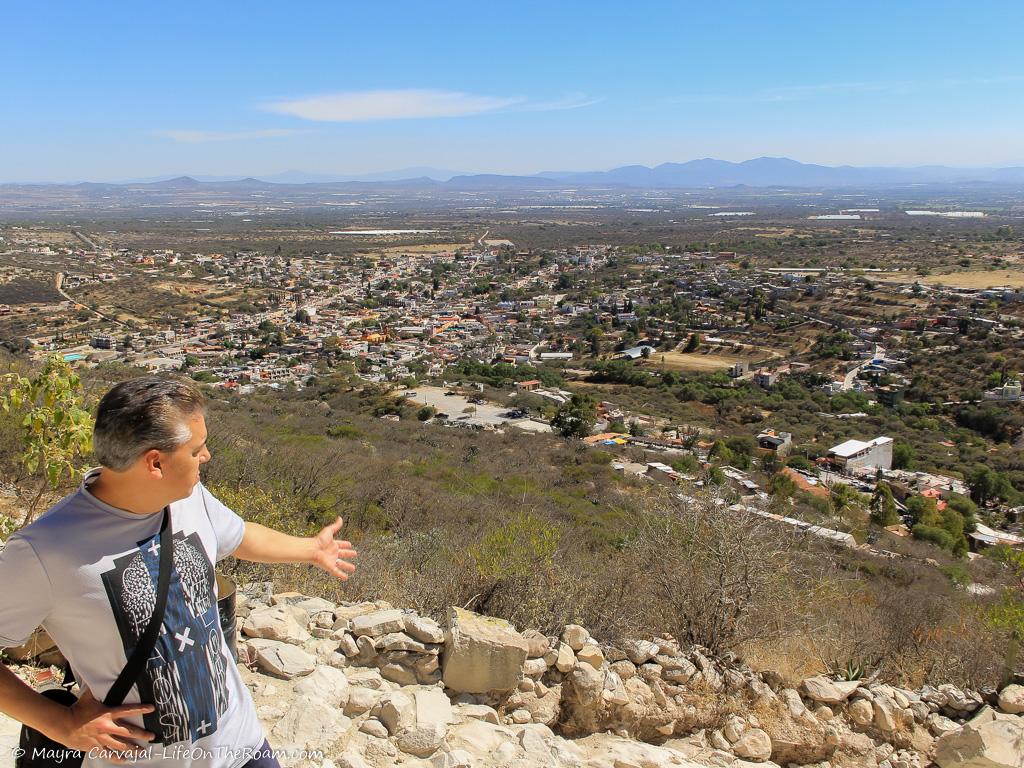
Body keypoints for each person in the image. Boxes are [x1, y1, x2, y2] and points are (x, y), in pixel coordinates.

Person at [0, 376, 358, 767]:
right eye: (196, 450)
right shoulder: (45, 551)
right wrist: (60, 724)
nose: (206, 458)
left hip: (242, 747)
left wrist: (310, 549)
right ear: (155, 462)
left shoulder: (187, 497)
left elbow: (239, 536)